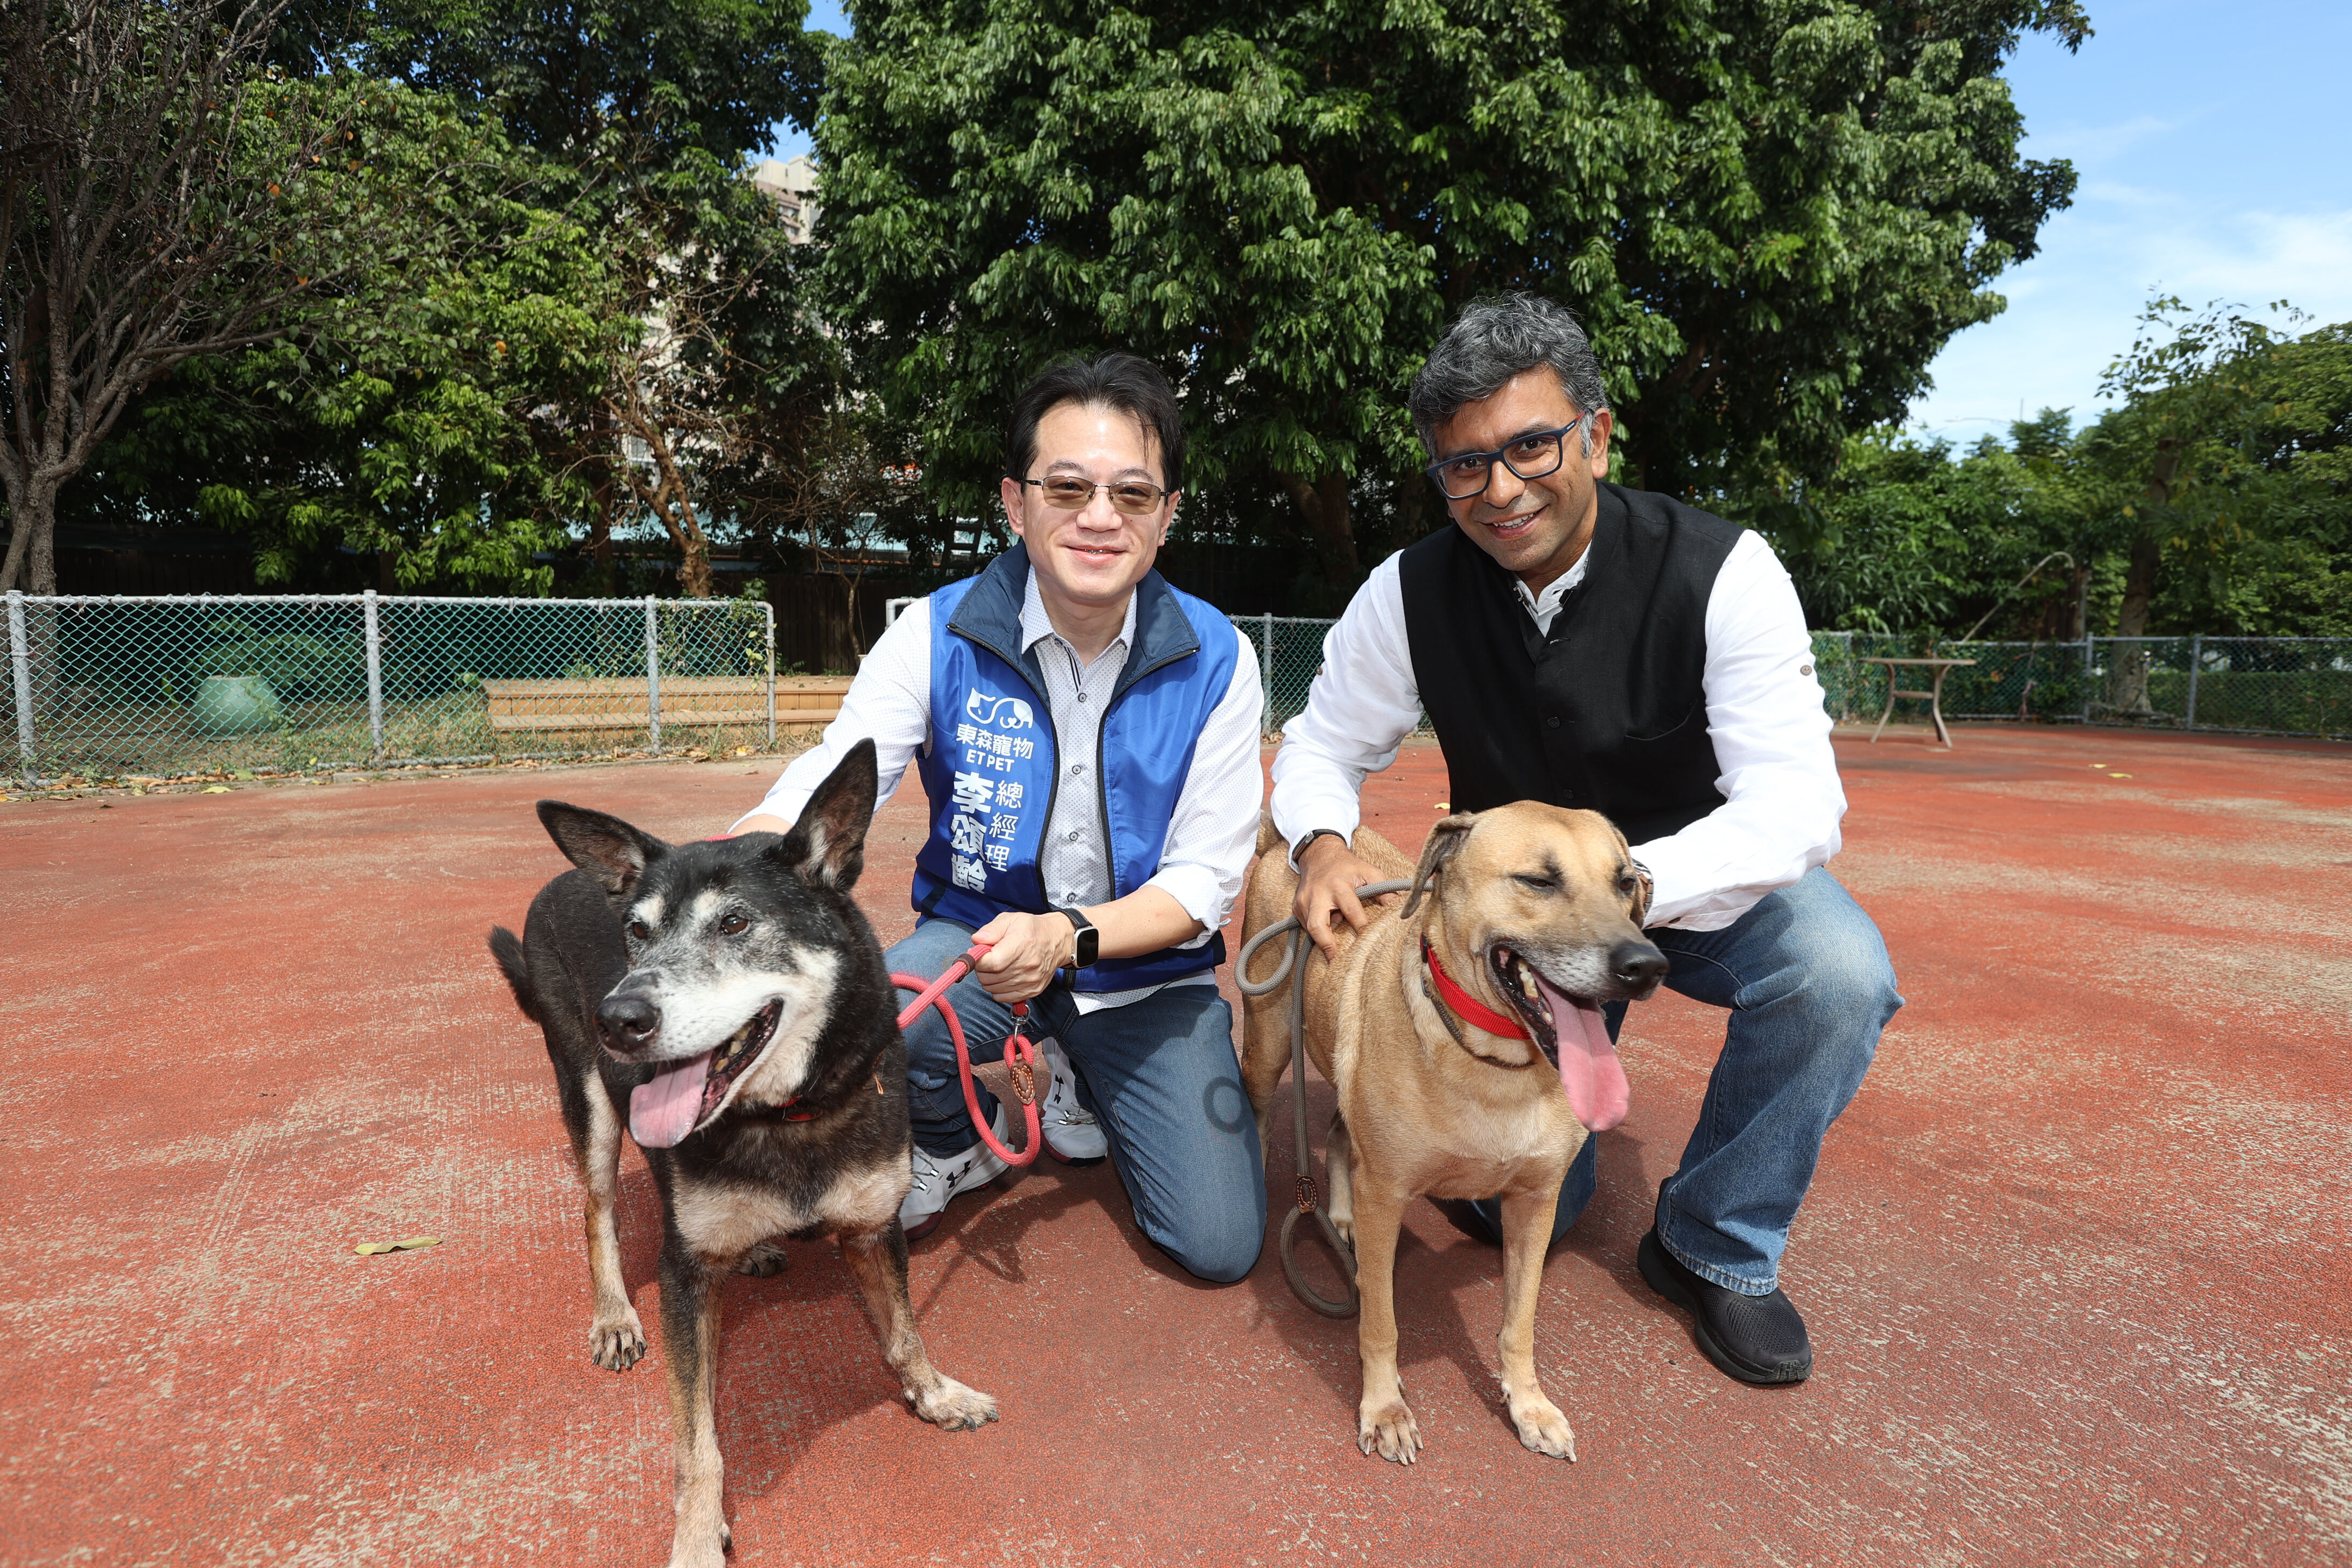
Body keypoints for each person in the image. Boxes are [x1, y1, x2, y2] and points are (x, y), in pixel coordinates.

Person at [1269, 293, 1902, 1383]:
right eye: (1465, 464)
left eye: (1531, 446)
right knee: (1520, 1206)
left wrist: (1616, 898)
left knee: (1839, 971)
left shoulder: (1724, 571)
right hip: (1514, 913)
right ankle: (1488, 1141)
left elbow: (1798, 804)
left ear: (1596, 436)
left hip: (1692, 881)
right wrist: (1322, 843)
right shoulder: (1407, 592)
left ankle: (1715, 1241)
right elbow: (1322, 745)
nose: (1501, 489)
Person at [733, 352, 1268, 1283]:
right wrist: (729, 865)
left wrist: (1065, 940)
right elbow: (839, 770)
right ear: (1016, 504)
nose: (1099, 517)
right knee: (874, 1020)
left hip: (1144, 973)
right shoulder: (936, 632)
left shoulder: (1218, 657)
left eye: (1132, 494)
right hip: (979, 944)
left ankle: (1085, 1070)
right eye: (1068, 488)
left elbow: (1203, 886)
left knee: (1218, 1246)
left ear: (1167, 514)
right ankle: (954, 1138)